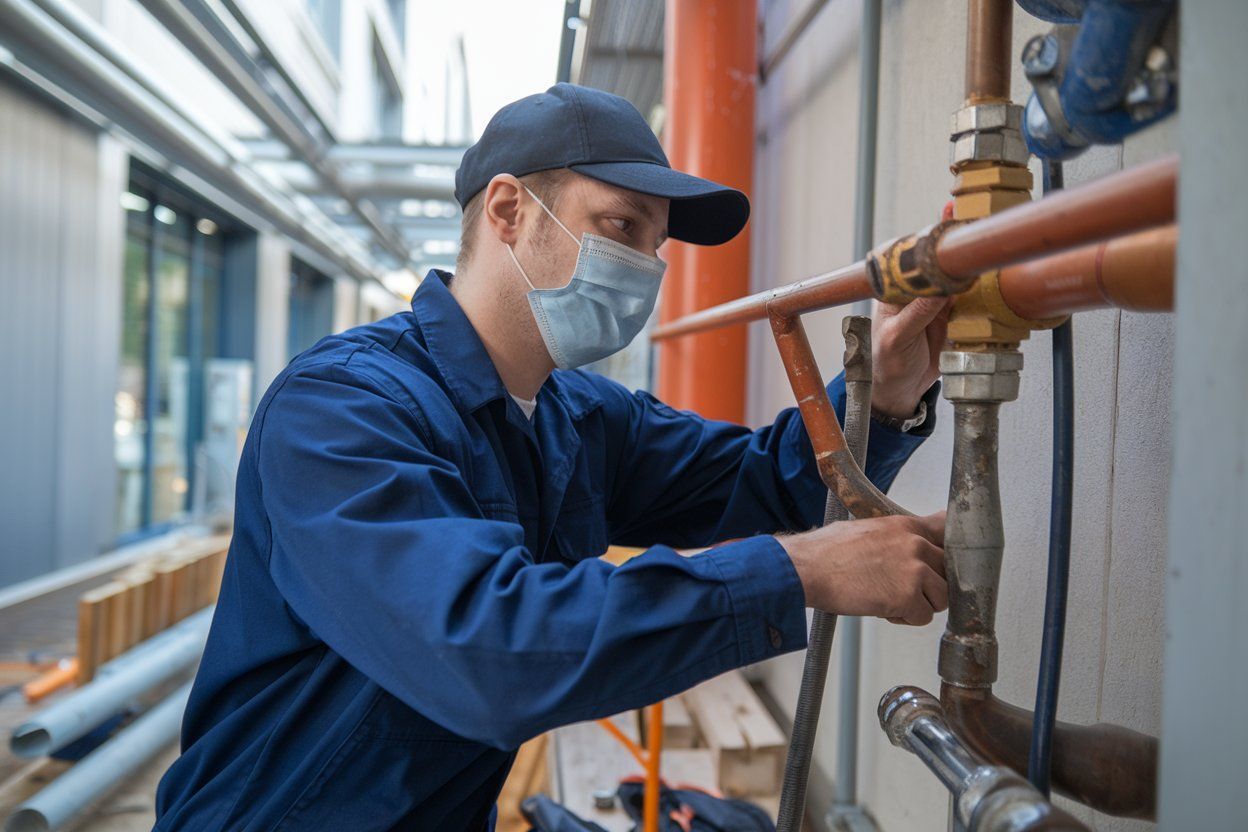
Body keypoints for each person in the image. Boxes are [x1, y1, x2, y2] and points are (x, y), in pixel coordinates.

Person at [154, 83, 950, 831]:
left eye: (657, 242)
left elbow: (760, 483)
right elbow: (483, 648)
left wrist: (880, 398)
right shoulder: (342, 409)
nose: (648, 267)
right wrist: (801, 571)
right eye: (620, 226)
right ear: (508, 209)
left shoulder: (576, 418)